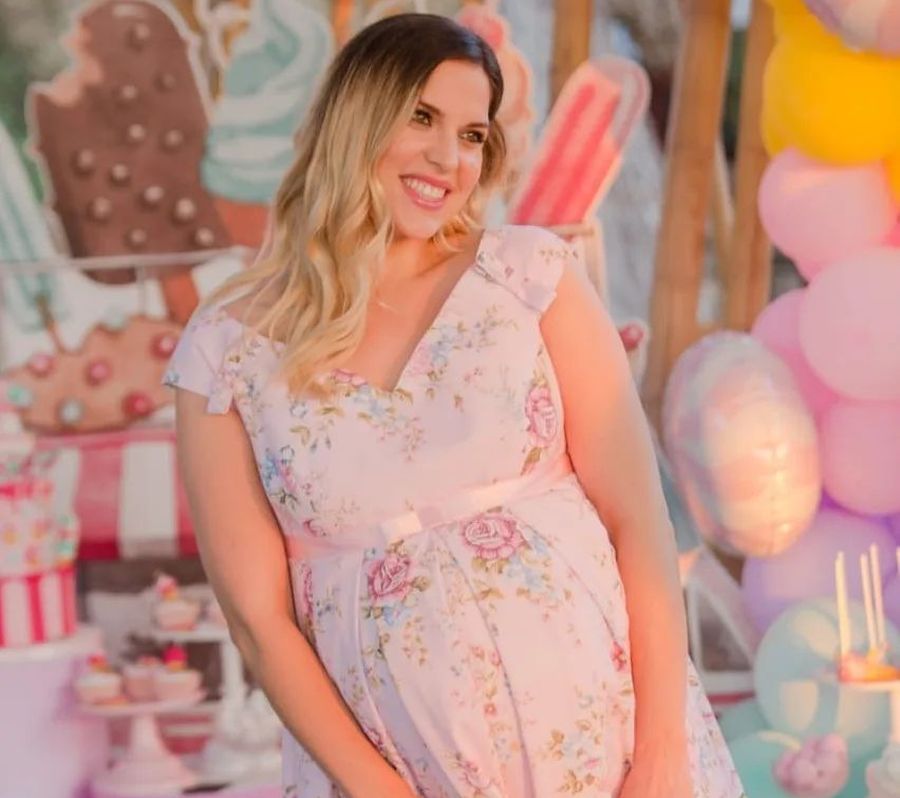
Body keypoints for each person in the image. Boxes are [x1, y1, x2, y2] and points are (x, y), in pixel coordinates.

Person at [164, 13, 744, 798]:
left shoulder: (528, 277)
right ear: (354, 118)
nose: (449, 157)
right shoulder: (226, 352)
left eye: (473, 135)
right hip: (391, 778)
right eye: (422, 117)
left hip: (614, 753)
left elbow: (638, 522)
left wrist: (663, 756)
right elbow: (257, 623)